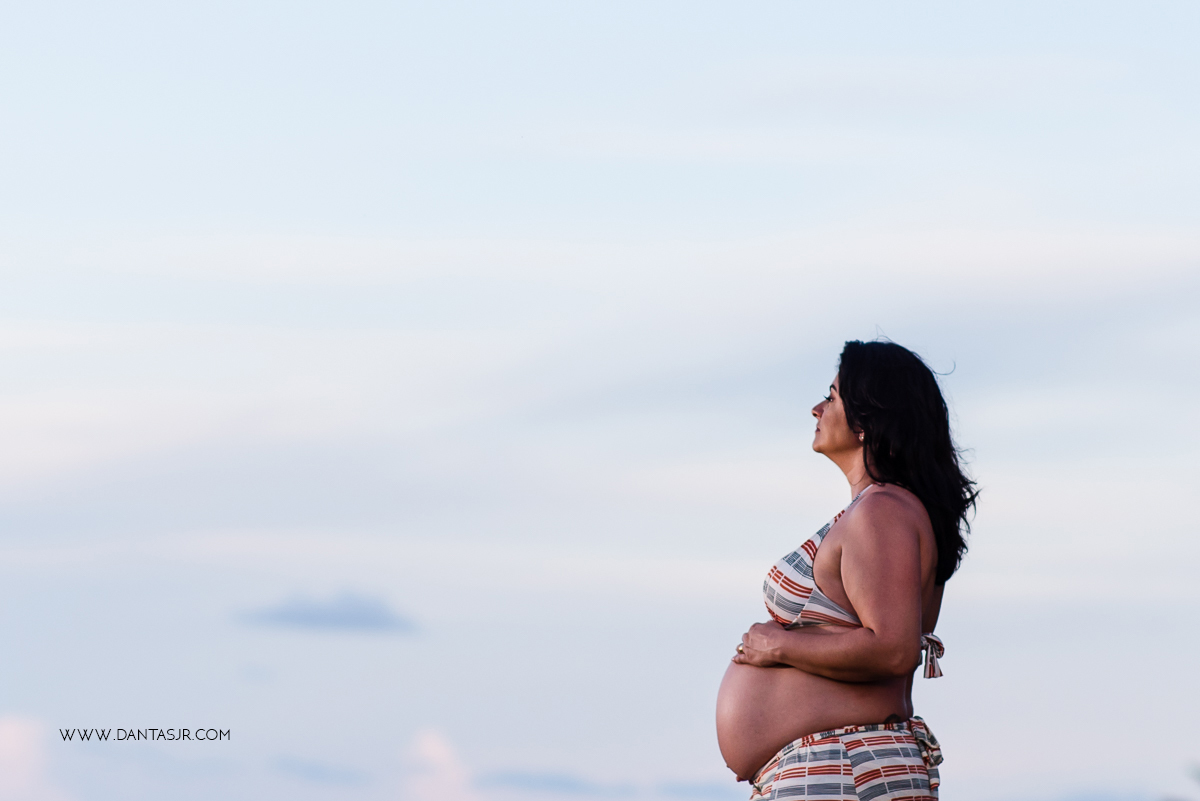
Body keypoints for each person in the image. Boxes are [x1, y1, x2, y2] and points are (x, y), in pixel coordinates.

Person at [715, 340, 977, 801]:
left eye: (832, 397)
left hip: (844, 767)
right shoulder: (879, 510)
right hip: (835, 767)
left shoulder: (883, 511)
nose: (817, 409)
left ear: (866, 421)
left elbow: (893, 650)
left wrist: (778, 645)